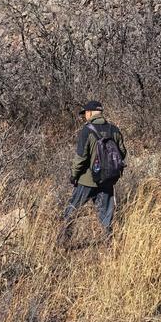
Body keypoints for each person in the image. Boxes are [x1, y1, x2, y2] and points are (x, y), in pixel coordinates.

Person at [61, 100, 127, 245]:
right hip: (107, 179)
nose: (84, 116)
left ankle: (62, 242)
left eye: (85, 113)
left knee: (72, 209)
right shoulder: (114, 129)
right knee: (106, 215)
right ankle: (110, 244)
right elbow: (122, 153)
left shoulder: (87, 130)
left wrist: (74, 175)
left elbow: (80, 158)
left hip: (87, 180)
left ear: (90, 113)